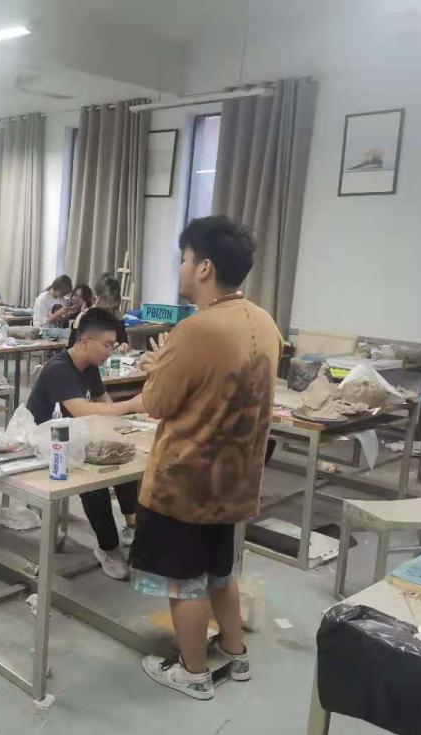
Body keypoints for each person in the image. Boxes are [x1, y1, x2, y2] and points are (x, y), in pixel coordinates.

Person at [129, 215, 282, 701]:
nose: (181, 267)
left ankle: (192, 670)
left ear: (204, 267)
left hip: (187, 481)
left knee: (184, 582)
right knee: (220, 571)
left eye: (185, 258)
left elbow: (157, 404)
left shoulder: (196, 330)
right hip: (234, 480)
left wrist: (156, 367)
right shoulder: (264, 322)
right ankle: (235, 653)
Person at [26, 308, 144, 580]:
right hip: (46, 444)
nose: (110, 352)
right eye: (107, 345)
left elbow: (104, 404)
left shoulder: (89, 368)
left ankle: (133, 527)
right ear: (85, 341)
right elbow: (83, 410)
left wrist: (126, 429)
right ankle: (108, 548)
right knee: (94, 480)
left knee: (122, 455)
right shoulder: (59, 368)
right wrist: (132, 404)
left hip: (74, 438)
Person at [67, 275, 129, 350]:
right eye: (105, 300)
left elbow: (123, 341)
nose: (98, 301)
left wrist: (124, 345)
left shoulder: (115, 317)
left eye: (110, 302)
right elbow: (72, 346)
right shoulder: (85, 316)